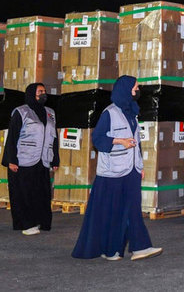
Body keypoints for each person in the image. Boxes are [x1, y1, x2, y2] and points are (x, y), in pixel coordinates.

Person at [71, 75, 162, 261]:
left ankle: (140, 247)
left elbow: (136, 143)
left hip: (132, 170)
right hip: (113, 172)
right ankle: (111, 250)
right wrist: (119, 141)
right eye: (135, 88)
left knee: (132, 209)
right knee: (114, 212)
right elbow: (98, 139)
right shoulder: (110, 113)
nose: (138, 91)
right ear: (125, 90)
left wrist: (140, 166)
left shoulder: (132, 112)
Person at [1, 82, 59, 235]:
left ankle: (41, 221)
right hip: (24, 159)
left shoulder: (50, 112)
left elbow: (54, 138)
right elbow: (12, 137)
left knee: (42, 193)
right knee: (24, 193)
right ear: (32, 94)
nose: (43, 94)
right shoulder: (21, 112)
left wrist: (55, 159)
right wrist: (11, 160)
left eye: (44, 91)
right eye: (40, 91)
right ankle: (26, 224)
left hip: (43, 159)